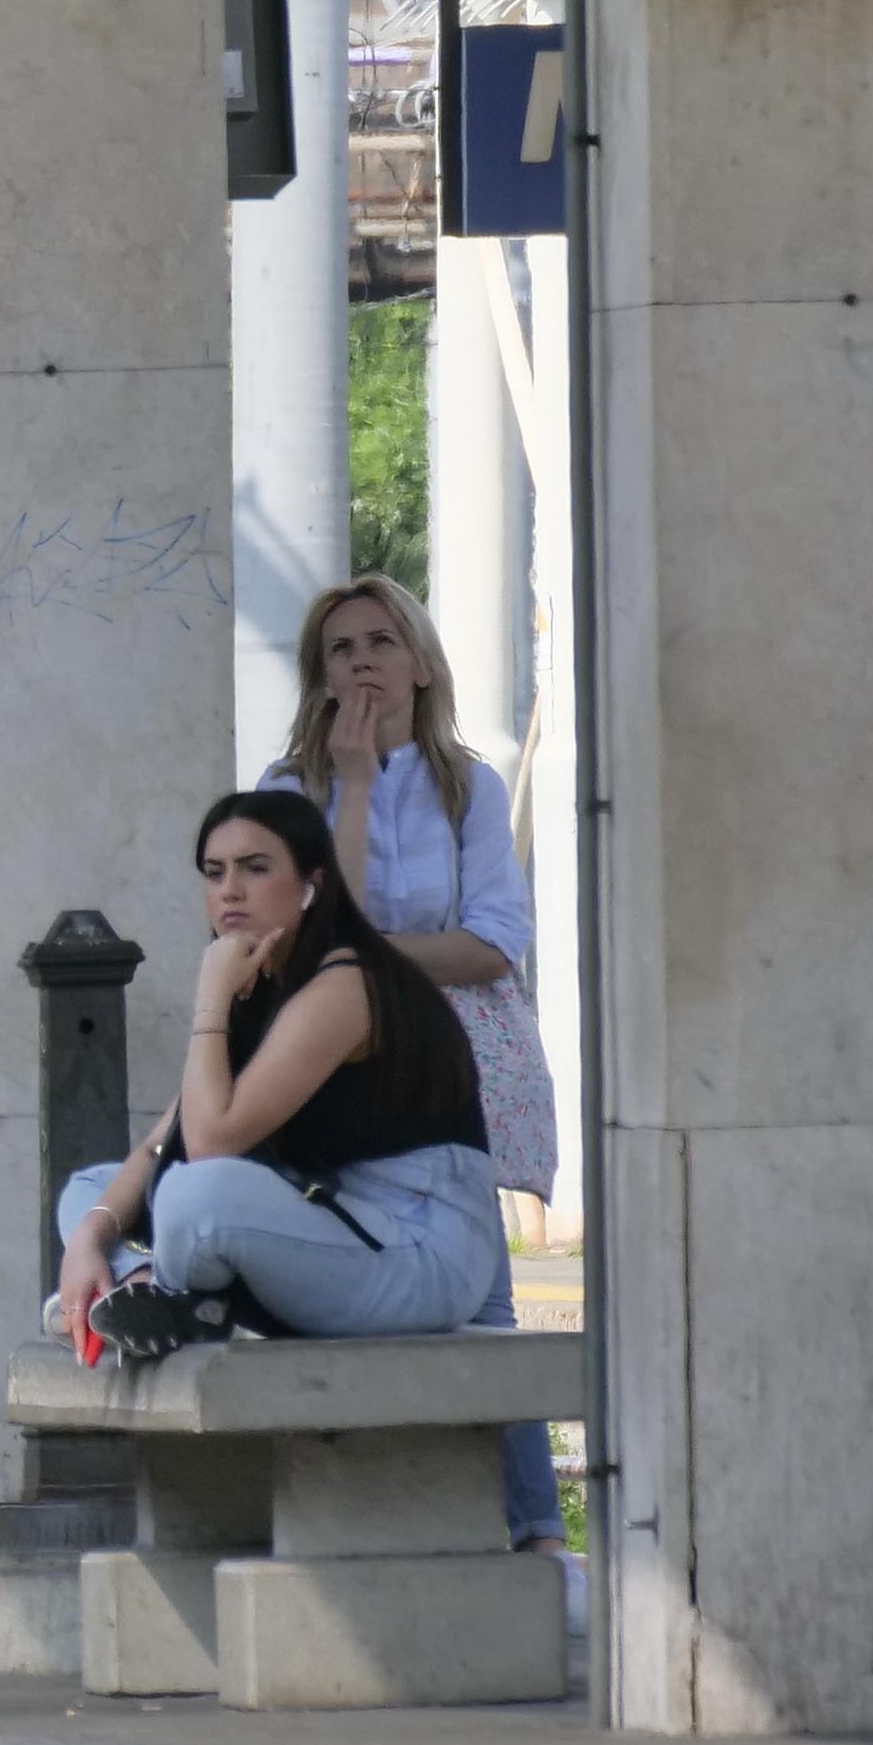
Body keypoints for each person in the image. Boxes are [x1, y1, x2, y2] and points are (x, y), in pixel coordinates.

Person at [265, 576, 570, 1583]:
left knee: (487, 1307)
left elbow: (495, 940)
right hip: (335, 1064)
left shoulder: (467, 784)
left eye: (381, 643)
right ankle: (462, 1526)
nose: (360, 663)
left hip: (456, 1062)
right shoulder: (285, 791)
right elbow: (308, 943)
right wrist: (348, 790)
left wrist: (371, 959)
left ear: (422, 662)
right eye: (339, 648)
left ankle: (535, 1534)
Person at [56, 790, 500, 1356]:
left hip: (416, 1255)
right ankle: (136, 1292)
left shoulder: (345, 984)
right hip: (328, 1224)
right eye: (214, 874)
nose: (230, 891)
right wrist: (90, 1242)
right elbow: (160, 1147)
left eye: (255, 869)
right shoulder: (262, 983)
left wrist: (210, 998)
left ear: (312, 885)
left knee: (198, 1195)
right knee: (92, 1190)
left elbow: (212, 1141)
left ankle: (160, 1300)